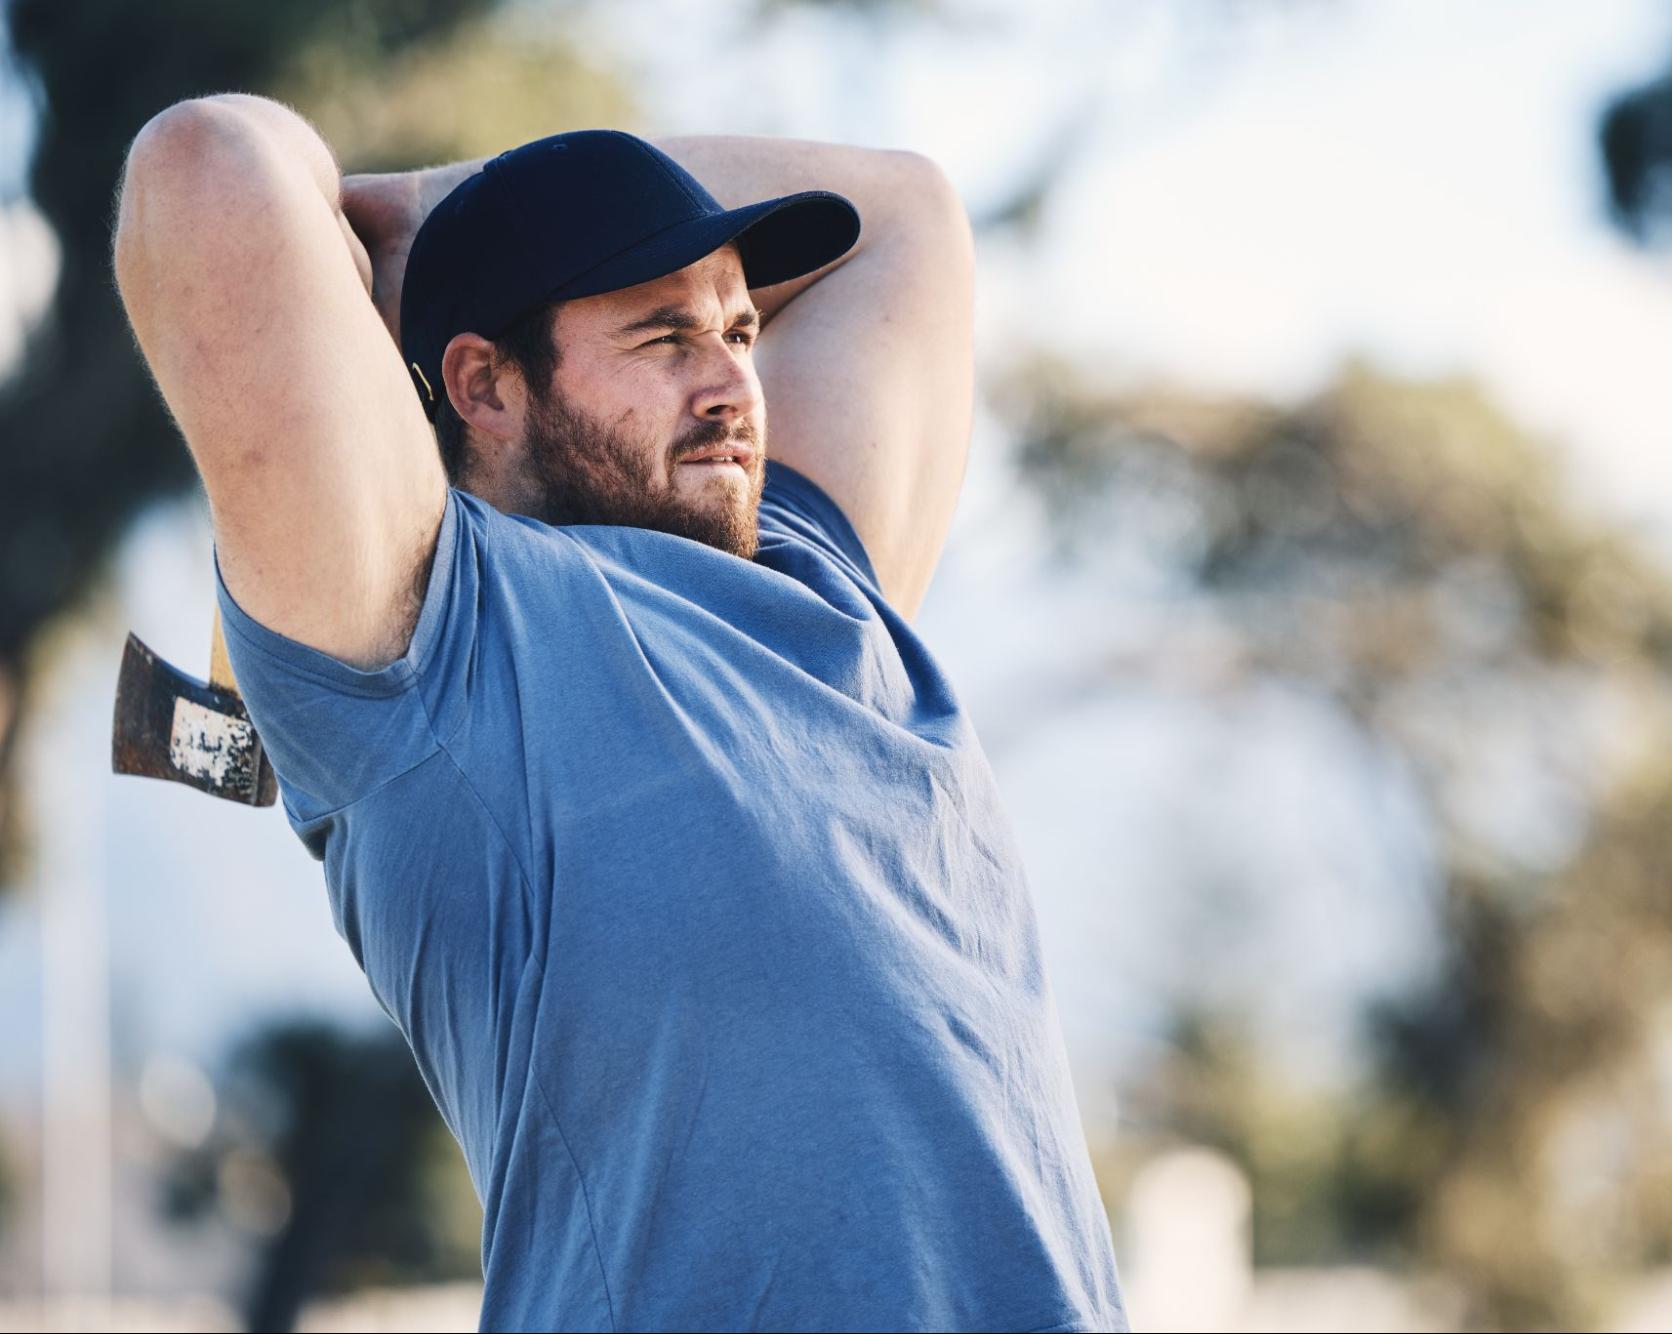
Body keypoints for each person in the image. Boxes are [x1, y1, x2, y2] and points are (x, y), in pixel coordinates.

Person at [112, 94, 1128, 1333]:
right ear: (481, 382)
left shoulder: (824, 570)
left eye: (742, 328)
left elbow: (904, 213)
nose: (732, 385)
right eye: (662, 337)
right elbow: (207, 171)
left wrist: (432, 207)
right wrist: (439, 243)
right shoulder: (441, 637)